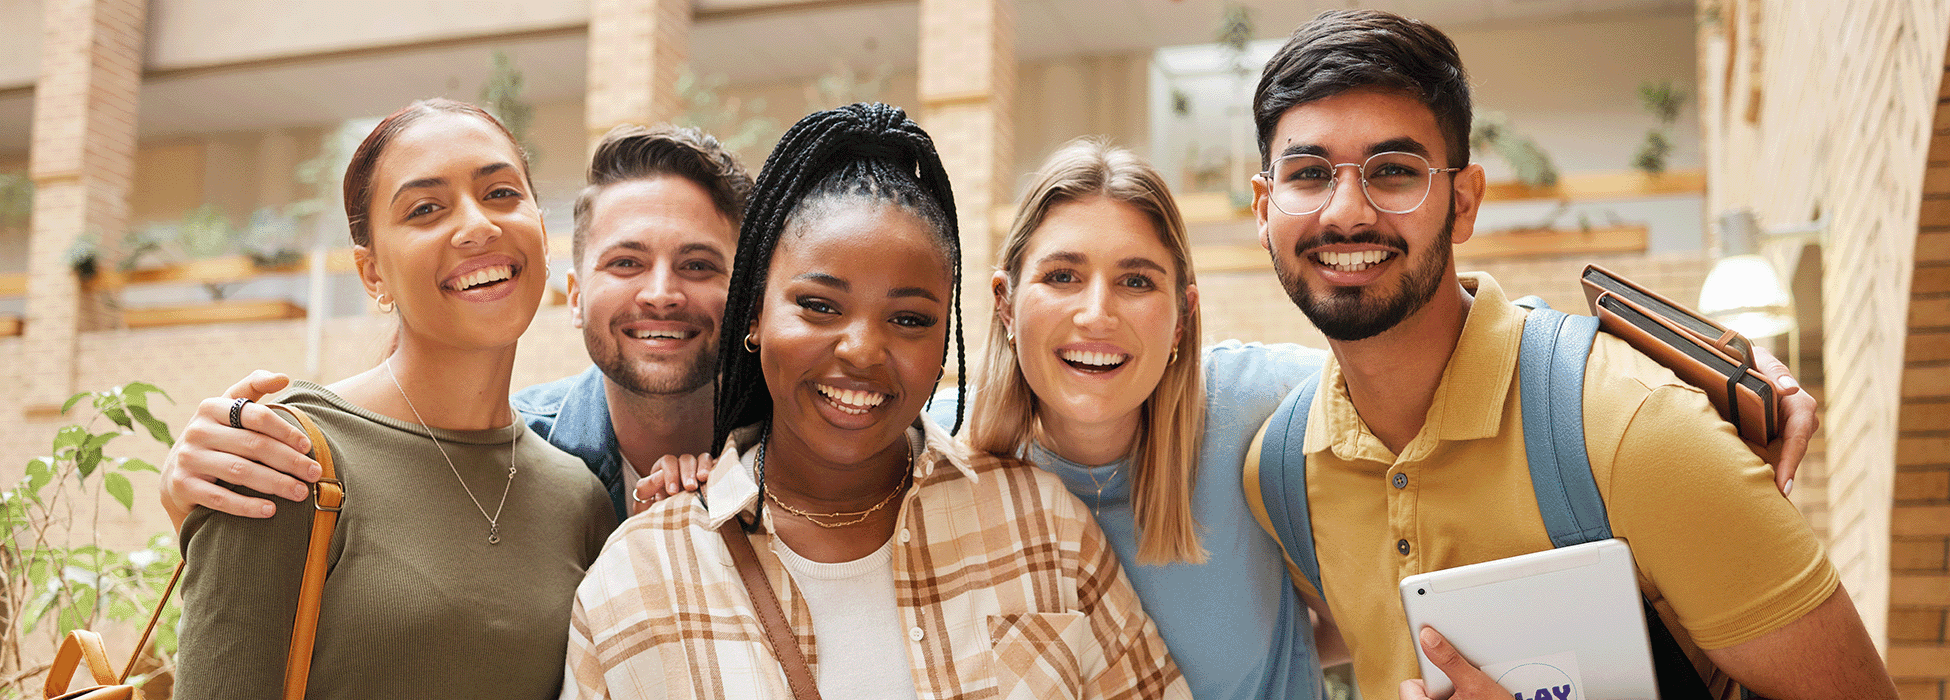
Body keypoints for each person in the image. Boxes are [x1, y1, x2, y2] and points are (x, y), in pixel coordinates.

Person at [1245, 10, 1895, 700]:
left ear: (1463, 202)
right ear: (1263, 210)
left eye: (1396, 171)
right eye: (1309, 173)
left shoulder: (1636, 430)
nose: (1347, 211)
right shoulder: (1280, 476)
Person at [560, 102, 1188, 699]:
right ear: (753, 313)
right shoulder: (635, 582)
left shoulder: (1042, 526)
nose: (862, 351)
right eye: (819, 306)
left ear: (948, 336)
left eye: (910, 319)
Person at [173, 98, 616, 698]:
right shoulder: (284, 454)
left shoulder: (578, 495)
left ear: (541, 227)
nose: (479, 225)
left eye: (502, 193)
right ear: (372, 272)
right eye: (425, 208)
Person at [156, 123, 752, 526]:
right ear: (573, 296)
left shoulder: (801, 456)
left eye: (698, 265)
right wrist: (182, 492)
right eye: (626, 262)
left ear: (748, 294)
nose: (661, 293)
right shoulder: (502, 455)